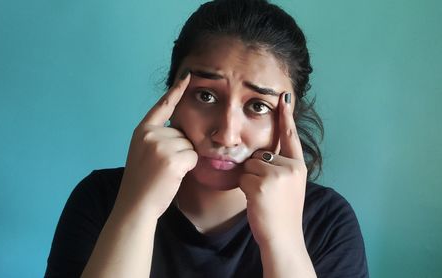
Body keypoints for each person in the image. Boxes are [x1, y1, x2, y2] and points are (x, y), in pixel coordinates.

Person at [45, 0, 368, 277]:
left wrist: (283, 241)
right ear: (171, 96)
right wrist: (137, 209)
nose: (226, 134)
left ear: (291, 118)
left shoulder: (329, 222)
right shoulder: (100, 199)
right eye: (205, 96)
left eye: (258, 106)